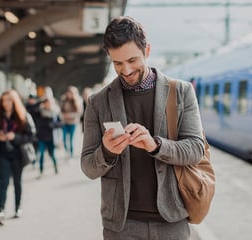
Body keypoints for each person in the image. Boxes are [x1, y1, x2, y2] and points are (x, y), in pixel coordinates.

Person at [80, 16, 205, 239]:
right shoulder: (97, 102)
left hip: (171, 220)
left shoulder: (181, 92)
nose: (126, 70)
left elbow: (196, 149)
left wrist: (156, 145)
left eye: (132, 60)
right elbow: (88, 167)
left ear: (147, 50)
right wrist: (107, 152)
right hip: (121, 224)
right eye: (117, 63)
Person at [0, 89, 37, 225]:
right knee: (3, 182)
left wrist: (15, 137)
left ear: (15, 101)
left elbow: (31, 135)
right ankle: (1, 210)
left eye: (9, 100)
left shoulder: (23, 116)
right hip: (2, 154)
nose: (6, 103)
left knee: (17, 182)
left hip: (18, 154)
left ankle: (18, 207)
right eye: (4, 100)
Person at [36, 96, 61, 177]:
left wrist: (52, 125)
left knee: (52, 154)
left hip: (51, 138)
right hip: (42, 137)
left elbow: (60, 123)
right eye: (46, 103)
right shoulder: (40, 112)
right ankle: (41, 170)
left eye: (49, 103)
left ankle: (55, 167)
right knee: (41, 155)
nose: (48, 105)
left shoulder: (55, 113)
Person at [60, 85, 82, 158]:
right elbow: (60, 111)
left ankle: (71, 154)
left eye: (71, 93)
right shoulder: (64, 100)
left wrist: (69, 115)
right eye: (68, 92)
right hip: (65, 123)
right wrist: (63, 115)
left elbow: (79, 113)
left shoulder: (77, 101)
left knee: (71, 139)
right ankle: (67, 151)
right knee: (64, 138)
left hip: (73, 123)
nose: (69, 94)